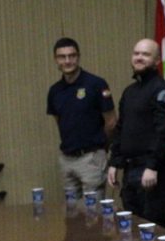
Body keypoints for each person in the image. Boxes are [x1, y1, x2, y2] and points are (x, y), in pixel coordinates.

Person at [107, 39, 165, 227]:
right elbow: (121, 129)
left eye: (145, 55)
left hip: (153, 172)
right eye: (136, 53)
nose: (139, 58)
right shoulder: (130, 92)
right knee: (133, 229)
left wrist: (152, 166)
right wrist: (115, 163)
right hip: (131, 171)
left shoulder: (162, 90)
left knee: (151, 230)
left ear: (156, 61)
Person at [46, 37, 116, 200]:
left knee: (93, 215)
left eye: (72, 55)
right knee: (71, 215)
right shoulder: (54, 91)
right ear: (56, 60)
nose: (68, 60)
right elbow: (60, 122)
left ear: (78, 57)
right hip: (67, 158)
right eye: (62, 57)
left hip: (91, 157)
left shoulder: (96, 84)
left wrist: (100, 146)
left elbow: (111, 122)